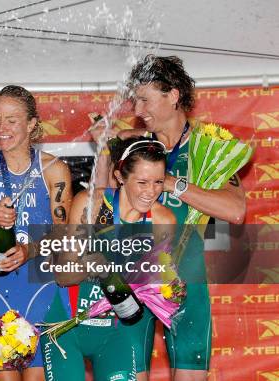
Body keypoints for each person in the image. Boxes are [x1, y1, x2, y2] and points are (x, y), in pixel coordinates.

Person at [126, 55, 246, 381]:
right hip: (133, 277)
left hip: (185, 278)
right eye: (135, 100)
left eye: (145, 99)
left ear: (174, 96)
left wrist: (172, 184)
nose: (137, 110)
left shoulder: (208, 148)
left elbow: (235, 210)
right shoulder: (131, 145)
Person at [0, 85, 73, 381]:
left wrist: (30, 251)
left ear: (32, 124)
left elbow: (64, 235)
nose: (1, 128)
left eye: (12, 120)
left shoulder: (54, 169)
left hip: (43, 286)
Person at [44, 137, 176, 381]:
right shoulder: (91, 203)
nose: (151, 192)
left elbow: (162, 279)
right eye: (142, 182)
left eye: (158, 182)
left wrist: (172, 287)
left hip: (117, 331)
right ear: (119, 176)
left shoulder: (163, 220)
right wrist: (97, 262)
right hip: (68, 326)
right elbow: (63, 276)